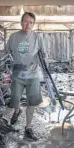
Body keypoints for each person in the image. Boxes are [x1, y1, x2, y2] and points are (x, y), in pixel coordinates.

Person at [6, 12, 45, 141]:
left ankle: (28, 127)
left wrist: (44, 59)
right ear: (21, 22)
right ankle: (17, 111)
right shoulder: (13, 37)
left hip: (33, 74)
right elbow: (7, 53)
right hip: (18, 73)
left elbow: (43, 53)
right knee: (15, 98)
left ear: (33, 24)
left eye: (31, 22)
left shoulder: (37, 37)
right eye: (26, 21)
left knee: (32, 101)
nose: (28, 24)